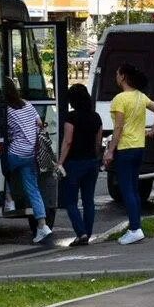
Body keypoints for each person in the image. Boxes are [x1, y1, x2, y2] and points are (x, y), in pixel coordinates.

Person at [103, 64, 154, 246]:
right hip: (139, 146)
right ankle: (136, 225)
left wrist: (110, 150)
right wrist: (153, 130)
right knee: (134, 189)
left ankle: (134, 229)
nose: (116, 76)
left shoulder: (119, 99)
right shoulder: (141, 96)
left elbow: (118, 127)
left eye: (117, 73)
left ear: (123, 77)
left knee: (126, 189)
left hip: (125, 148)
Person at [3, 77, 52, 244]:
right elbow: (39, 123)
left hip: (16, 152)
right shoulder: (27, 104)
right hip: (31, 153)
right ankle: (42, 225)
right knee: (33, 189)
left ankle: (9, 201)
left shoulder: (7, 110)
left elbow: (6, 131)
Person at [58, 83, 102, 246]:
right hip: (91, 162)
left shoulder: (71, 117)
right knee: (88, 200)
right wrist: (96, 158)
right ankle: (88, 233)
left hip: (74, 163)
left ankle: (81, 232)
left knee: (70, 201)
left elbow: (68, 141)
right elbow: (98, 143)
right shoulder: (96, 117)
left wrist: (60, 162)